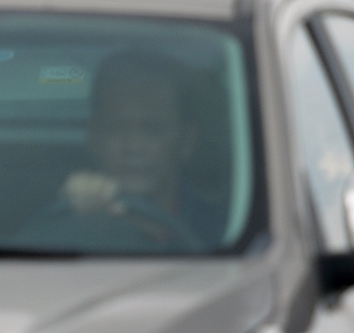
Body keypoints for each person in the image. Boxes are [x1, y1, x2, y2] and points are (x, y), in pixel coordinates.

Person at [21, 52, 213, 252]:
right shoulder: (56, 223)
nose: (133, 146)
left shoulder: (226, 231)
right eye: (117, 127)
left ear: (186, 141)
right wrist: (79, 224)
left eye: (152, 129)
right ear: (94, 137)